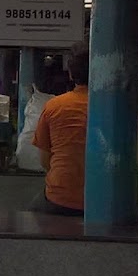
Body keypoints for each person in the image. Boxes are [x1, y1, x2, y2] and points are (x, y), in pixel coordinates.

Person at [31, 44, 89, 216]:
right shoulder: (125, 109)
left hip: (61, 197)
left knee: (32, 215)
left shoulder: (55, 106)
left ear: (71, 74)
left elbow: (45, 161)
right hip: (112, 200)